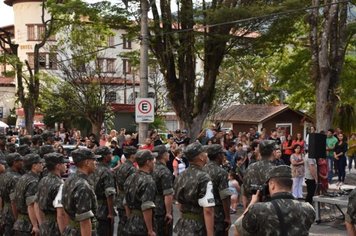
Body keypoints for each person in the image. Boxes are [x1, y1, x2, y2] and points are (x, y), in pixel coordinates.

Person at [234, 165, 316, 236]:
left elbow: (238, 230)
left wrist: (252, 203)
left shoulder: (258, 210)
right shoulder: (308, 209)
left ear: (272, 185)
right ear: (291, 185)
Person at [174, 142, 215, 236]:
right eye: (204, 152)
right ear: (201, 157)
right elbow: (208, 210)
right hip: (198, 226)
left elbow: (179, 203)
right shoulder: (204, 177)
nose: (206, 155)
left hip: (183, 224)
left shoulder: (181, 176)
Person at [62, 148, 98, 236]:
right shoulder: (83, 185)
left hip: (71, 230)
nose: (95, 163)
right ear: (87, 163)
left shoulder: (70, 179)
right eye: (93, 160)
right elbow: (84, 221)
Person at [123, 150, 157, 236]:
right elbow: (147, 206)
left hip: (131, 220)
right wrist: (150, 230)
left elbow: (126, 202)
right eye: (152, 160)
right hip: (143, 222)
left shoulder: (131, 177)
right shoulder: (148, 180)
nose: (154, 162)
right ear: (148, 162)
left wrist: (130, 217)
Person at [36, 152, 70, 235]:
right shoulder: (59, 184)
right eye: (63, 163)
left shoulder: (43, 180)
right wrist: (64, 233)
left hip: (45, 225)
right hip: (56, 226)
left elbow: (37, 204)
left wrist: (41, 224)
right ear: (58, 166)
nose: (65, 166)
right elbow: (61, 214)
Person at [203, 144, 231, 236]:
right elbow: (225, 196)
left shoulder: (202, 169)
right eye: (222, 154)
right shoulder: (221, 172)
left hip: (203, 210)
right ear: (219, 155)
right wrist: (227, 217)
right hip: (218, 212)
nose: (224, 157)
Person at [13, 153, 44, 236]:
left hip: (20, 223)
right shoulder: (33, 181)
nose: (42, 165)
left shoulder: (22, 178)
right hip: (29, 225)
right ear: (34, 165)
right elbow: (31, 205)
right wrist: (35, 226)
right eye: (40, 163)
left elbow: (13, 200)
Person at [89, 146, 116, 236]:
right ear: (105, 157)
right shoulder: (107, 172)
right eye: (109, 154)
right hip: (104, 209)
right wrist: (111, 213)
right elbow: (109, 193)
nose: (111, 155)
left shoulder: (92, 169)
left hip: (92, 207)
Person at [241, 140, 275, 209]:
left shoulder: (250, 167)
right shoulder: (275, 169)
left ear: (260, 152)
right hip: (269, 209)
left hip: (251, 207)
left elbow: (244, 191)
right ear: (273, 152)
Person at [114, 146, 137, 235]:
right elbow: (133, 187)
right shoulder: (132, 169)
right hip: (128, 200)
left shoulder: (120, 167)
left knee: (122, 224)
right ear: (132, 156)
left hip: (120, 198)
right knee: (128, 225)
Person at [152, 145, 174, 236]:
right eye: (167, 153)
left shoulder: (151, 168)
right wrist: (168, 212)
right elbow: (168, 194)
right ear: (164, 155)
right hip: (162, 208)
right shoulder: (165, 171)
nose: (169, 154)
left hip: (152, 205)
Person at [0, 153, 23, 236]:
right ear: (14, 163)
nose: (22, 162)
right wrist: (17, 219)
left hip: (5, 210)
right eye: (20, 161)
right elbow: (13, 200)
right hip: (13, 211)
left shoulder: (3, 175)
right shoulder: (15, 178)